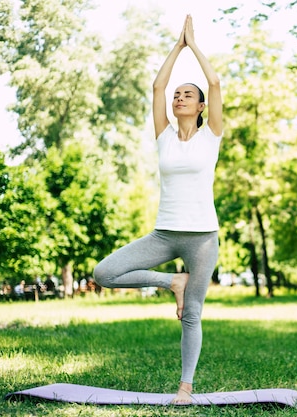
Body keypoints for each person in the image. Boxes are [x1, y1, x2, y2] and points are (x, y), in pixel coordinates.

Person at [93, 14, 223, 405]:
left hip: (202, 237)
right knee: (105, 272)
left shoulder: (211, 135)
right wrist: (176, 46)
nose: (178, 97)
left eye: (188, 95)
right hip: (164, 233)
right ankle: (172, 283)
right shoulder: (164, 135)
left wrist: (194, 45)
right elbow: (157, 85)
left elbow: (214, 82)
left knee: (192, 315)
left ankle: (185, 387)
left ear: (201, 106)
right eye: (177, 96)